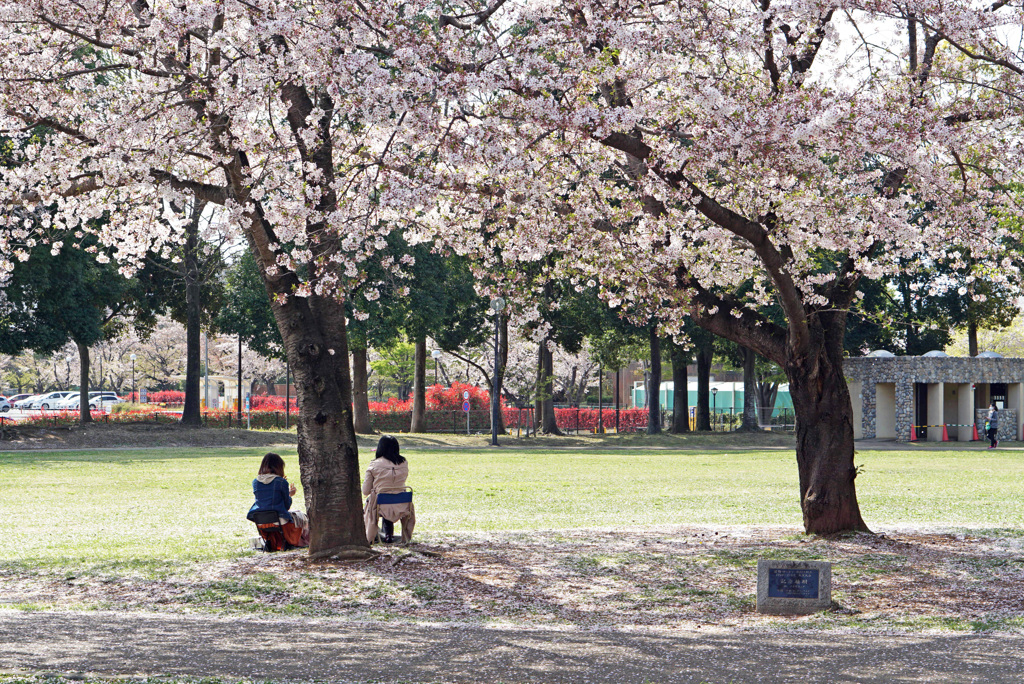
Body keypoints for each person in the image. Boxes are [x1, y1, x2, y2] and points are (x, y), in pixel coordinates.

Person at [247, 452, 309, 548]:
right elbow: (286, 505)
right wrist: (290, 494)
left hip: (260, 519)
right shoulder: (281, 482)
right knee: (301, 516)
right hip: (279, 518)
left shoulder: (255, 482)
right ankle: (304, 542)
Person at [363, 435, 415, 544]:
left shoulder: (374, 464)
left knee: (375, 502)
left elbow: (365, 491)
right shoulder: (404, 462)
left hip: (381, 504)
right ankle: (392, 536)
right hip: (402, 504)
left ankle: (370, 537)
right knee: (388, 498)